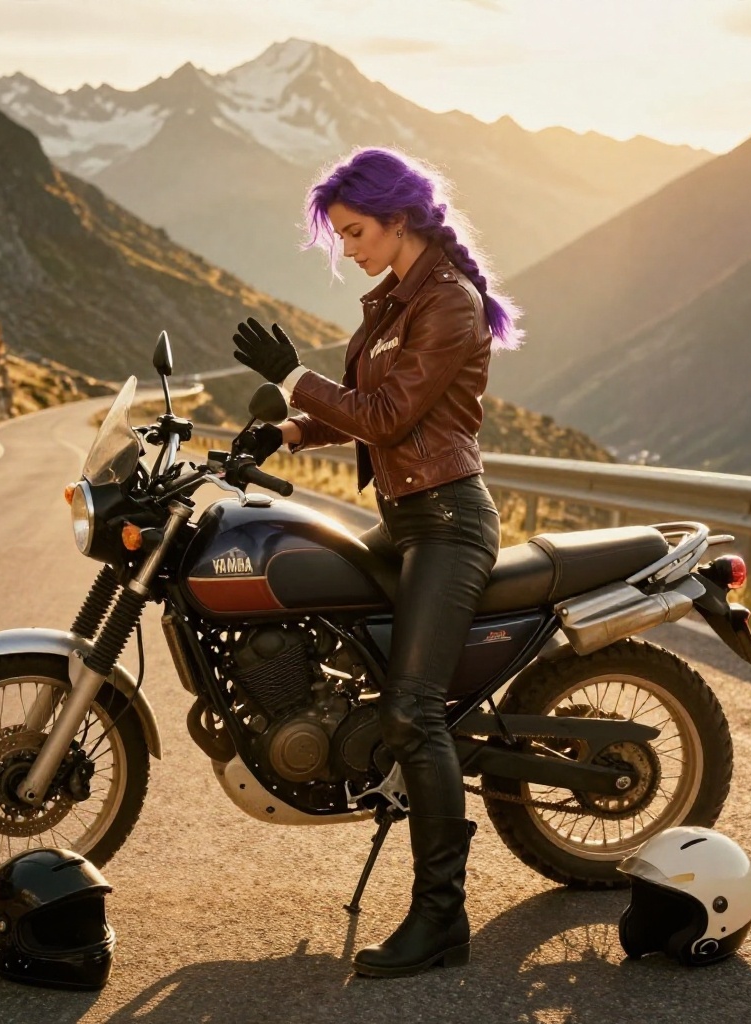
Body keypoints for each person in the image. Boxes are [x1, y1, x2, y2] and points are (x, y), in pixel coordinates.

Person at [231, 147, 522, 978]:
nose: (348, 248)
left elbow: (391, 415)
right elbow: (365, 410)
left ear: (399, 219)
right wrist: (289, 429)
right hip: (404, 518)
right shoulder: (395, 301)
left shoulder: (448, 303)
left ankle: (442, 920)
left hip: (447, 524)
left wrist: (294, 377)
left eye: (355, 231)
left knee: (412, 713)